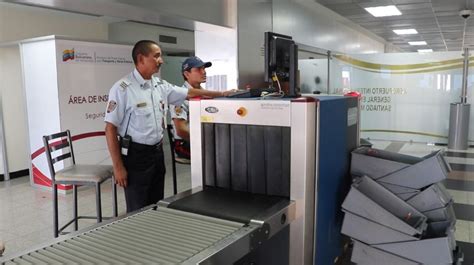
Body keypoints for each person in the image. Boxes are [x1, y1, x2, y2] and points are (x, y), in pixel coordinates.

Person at [104, 40, 232, 213]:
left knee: (156, 203)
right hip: (135, 156)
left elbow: (190, 92)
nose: (161, 60)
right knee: (137, 208)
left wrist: (222, 94)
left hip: (156, 154)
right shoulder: (123, 89)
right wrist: (118, 167)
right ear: (141, 59)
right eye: (156, 56)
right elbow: (110, 128)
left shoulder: (158, 85)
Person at [169, 56, 212, 164]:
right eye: (198, 69)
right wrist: (203, 142)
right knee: (217, 154)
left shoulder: (205, 94)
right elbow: (181, 130)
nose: (204, 72)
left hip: (203, 138)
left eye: (204, 69)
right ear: (187, 74)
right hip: (185, 143)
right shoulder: (179, 97)